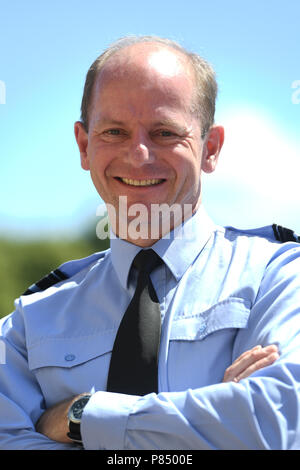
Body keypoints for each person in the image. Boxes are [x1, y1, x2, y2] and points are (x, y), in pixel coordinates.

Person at [0, 35, 299, 451]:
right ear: (84, 145)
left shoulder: (282, 278)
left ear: (210, 148)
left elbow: (276, 421)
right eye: (115, 131)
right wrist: (221, 419)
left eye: (164, 132)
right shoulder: (30, 322)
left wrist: (81, 416)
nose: (139, 154)